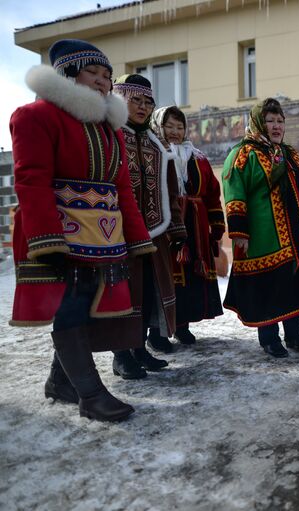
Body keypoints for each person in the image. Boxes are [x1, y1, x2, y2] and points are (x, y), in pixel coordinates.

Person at [9, 39, 156, 421]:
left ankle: (60, 382)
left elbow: (122, 187)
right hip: (62, 232)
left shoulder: (108, 131)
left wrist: (138, 238)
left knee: (90, 306)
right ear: (69, 74)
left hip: (104, 236)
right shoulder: (35, 116)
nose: (104, 82)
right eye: (94, 72)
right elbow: (31, 180)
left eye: (108, 76)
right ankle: (89, 394)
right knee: (72, 306)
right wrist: (48, 239)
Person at [222, 98, 299, 358]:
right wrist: (239, 233)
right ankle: (269, 339)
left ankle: (294, 334)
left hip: (294, 236)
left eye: (280, 121)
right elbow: (234, 193)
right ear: (258, 122)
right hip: (262, 237)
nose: (276, 126)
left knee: (292, 283)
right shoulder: (243, 154)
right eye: (270, 120)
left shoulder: (291, 154)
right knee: (267, 286)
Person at [112, 74, 187, 378]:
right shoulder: (112, 135)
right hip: (118, 233)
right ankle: (121, 355)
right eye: (135, 100)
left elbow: (171, 192)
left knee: (146, 293)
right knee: (123, 295)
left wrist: (178, 232)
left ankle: (140, 349)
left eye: (147, 102)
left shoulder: (156, 145)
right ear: (120, 99)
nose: (142, 107)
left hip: (154, 233)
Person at [151, 106, 225, 343]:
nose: (175, 131)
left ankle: (183, 325)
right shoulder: (155, 154)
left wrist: (216, 225)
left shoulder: (198, 158)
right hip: (167, 225)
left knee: (192, 275)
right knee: (167, 277)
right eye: (169, 126)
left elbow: (213, 193)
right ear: (158, 127)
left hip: (196, 227)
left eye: (179, 126)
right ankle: (159, 332)